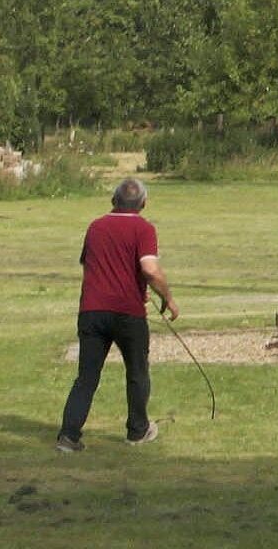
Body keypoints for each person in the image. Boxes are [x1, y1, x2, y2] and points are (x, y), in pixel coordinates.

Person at [56, 176, 176, 452]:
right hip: (127, 312)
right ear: (143, 203)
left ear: (114, 200)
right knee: (136, 371)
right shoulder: (144, 230)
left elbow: (89, 266)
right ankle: (137, 430)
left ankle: (69, 435)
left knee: (87, 376)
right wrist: (167, 298)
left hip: (92, 311)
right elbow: (150, 269)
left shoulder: (96, 227)